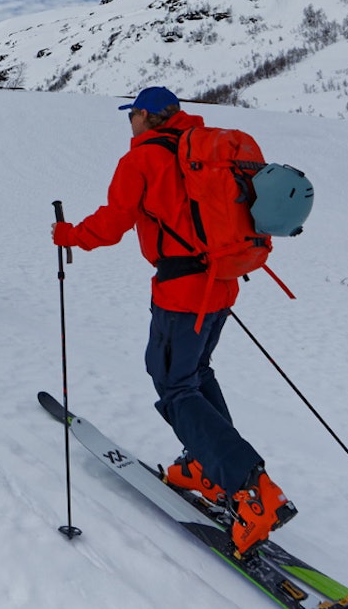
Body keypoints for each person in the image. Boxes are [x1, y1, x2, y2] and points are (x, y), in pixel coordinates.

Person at [51, 86, 296, 555]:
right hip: (221, 281)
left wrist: (69, 235)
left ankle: (252, 490)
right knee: (195, 373)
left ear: (145, 116)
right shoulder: (202, 152)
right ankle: (207, 466)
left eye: (132, 115)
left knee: (174, 383)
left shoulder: (142, 159)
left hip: (183, 291)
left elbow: (113, 223)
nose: (130, 123)